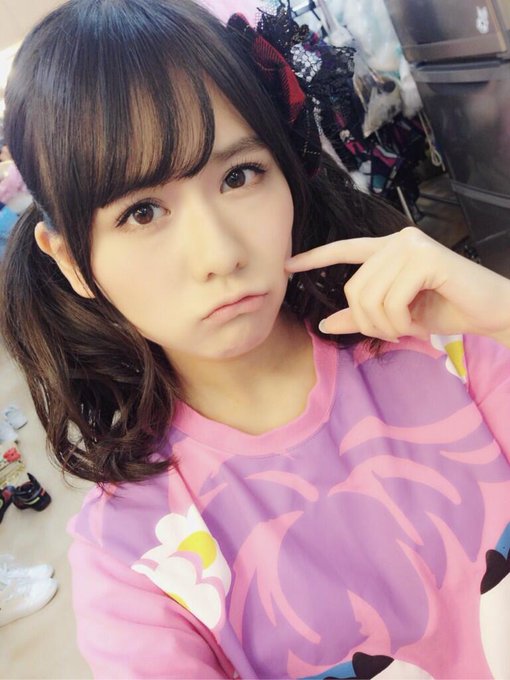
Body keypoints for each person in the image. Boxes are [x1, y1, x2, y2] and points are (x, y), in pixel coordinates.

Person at [0, 0, 509, 678]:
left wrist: (502, 313)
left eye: (239, 176)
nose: (220, 253)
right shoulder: (133, 566)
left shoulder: (449, 348)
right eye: (142, 212)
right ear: (70, 260)